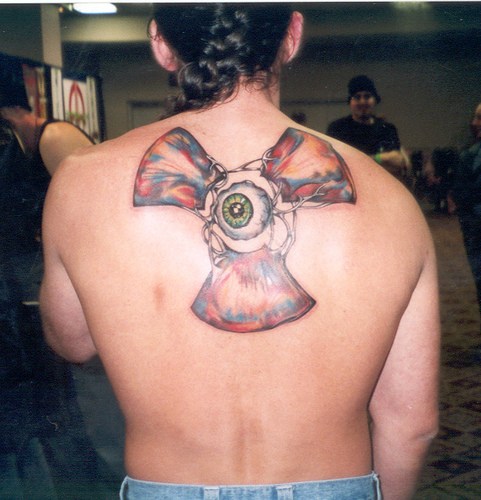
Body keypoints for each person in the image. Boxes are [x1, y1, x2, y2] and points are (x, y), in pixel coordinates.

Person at [40, 4, 440, 499]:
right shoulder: (391, 201)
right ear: (292, 35)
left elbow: (73, 342)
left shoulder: (80, 184)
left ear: (160, 42)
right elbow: (412, 425)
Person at [0, 73, 116, 497]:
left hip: (78, 277)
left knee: (81, 391)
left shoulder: (53, 136)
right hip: (43, 279)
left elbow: (98, 210)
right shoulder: (25, 146)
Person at [327, 75, 411, 181]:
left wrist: (366, 160)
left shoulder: (387, 129)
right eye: (357, 97)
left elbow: (397, 162)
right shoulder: (337, 128)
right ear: (350, 102)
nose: (362, 101)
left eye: (367, 96)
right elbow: (334, 164)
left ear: (375, 100)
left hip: (381, 186)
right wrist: (382, 159)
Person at [452, 102, 481, 323]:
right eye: (475, 117)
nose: (474, 123)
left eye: (480, 118)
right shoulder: (469, 155)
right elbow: (461, 195)